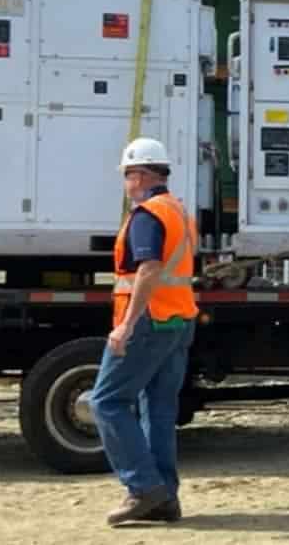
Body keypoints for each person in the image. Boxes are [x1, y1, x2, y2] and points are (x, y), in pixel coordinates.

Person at [91, 137, 198, 527]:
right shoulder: (179, 211)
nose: (125, 184)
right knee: (159, 409)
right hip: (178, 320)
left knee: (106, 402)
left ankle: (143, 488)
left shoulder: (147, 215)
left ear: (139, 175)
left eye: (126, 176)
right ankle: (165, 498)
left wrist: (126, 325)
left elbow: (149, 270)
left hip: (150, 321)